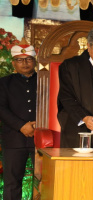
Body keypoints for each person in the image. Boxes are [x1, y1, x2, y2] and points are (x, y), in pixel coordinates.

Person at [0, 39, 36, 200]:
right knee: (12, 183)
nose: (25, 63)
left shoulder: (45, 81)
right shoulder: (4, 83)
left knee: (47, 180)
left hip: (42, 139)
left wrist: (40, 124)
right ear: (13, 63)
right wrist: (21, 126)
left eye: (28, 59)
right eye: (20, 60)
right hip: (14, 139)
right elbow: (1, 108)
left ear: (34, 61)